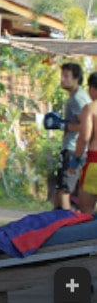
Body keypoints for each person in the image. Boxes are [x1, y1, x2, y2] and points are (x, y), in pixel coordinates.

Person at [43, 63, 90, 210]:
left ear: (76, 78)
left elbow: (85, 126)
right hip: (72, 148)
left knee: (64, 191)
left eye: (66, 76)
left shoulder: (77, 99)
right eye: (62, 76)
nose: (62, 79)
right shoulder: (77, 96)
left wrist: (62, 125)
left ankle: (67, 227)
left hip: (74, 149)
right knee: (59, 192)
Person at [71, 72, 97, 214]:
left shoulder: (91, 108)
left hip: (95, 162)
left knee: (87, 210)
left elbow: (84, 138)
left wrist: (74, 162)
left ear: (92, 89)